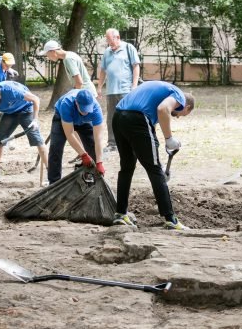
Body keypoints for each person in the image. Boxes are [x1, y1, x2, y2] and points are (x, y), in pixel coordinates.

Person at [112, 81, 195, 230]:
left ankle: (120, 214)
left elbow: (150, 129)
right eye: (182, 115)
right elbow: (163, 109)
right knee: (154, 170)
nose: (177, 117)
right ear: (186, 107)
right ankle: (171, 220)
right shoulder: (179, 96)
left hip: (118, 117)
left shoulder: (162, 89)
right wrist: (169, 139)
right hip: (137, 119)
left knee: (126, 167)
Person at [0, 81, 48, 184]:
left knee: (38, 140)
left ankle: (52, 174)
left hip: (26, 110)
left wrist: (35, 120)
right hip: (10, 113)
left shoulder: (11, 91)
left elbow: (35, 99)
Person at [48, 89, 105, 184]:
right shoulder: (67, 104)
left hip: (84, 122)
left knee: (92, 145)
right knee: (55, 148)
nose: (86, 112)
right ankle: (54, 182)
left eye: (88, 109)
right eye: (83, 109)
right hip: (62, 117)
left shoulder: (96, 109)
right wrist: (83, 154)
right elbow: (70, 134)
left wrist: (99, 162)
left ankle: (91, 177)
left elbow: (98, 138)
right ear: (77, 103)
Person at [97, 28, 141, 152]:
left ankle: (129, 142)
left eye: (111, 40)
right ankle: (112, 143)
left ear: (117, 37)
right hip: (111, 91)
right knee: (111, 118)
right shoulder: (107, 52)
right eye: (108, 41)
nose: (109, 43)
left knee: (127, 116)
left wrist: (134, 85)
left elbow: (136, 66)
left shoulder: (128, 48)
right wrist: (100, 87)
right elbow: (103, 70)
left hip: (125, 89)